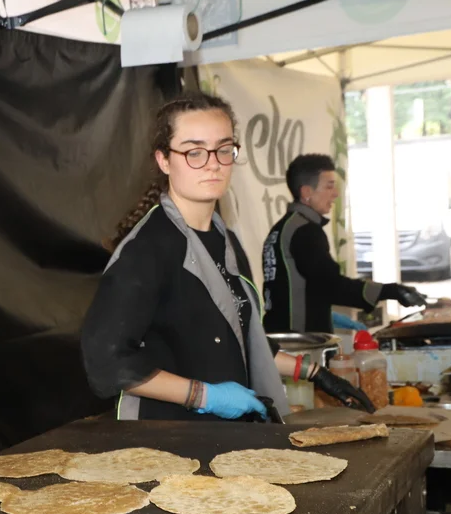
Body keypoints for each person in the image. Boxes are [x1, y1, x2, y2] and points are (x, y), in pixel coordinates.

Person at [80, 95, 374, 420]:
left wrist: (314, 373)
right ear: (164, 160)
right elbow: (106, 364)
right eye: (194, 152)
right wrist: (204, 395)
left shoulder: (226, 241)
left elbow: (244, 338)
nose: (213, 164)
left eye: (223, 149)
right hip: (167, 437)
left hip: (225, 436)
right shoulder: (147, 249)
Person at [262, 154, 426, 335]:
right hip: (301, 342)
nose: (335, 194)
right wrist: (390, 291)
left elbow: (303, 288)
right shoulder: (304, 231)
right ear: (307, 192)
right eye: (329, 186)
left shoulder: (283, 228)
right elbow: (332, 286)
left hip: (282, 336)